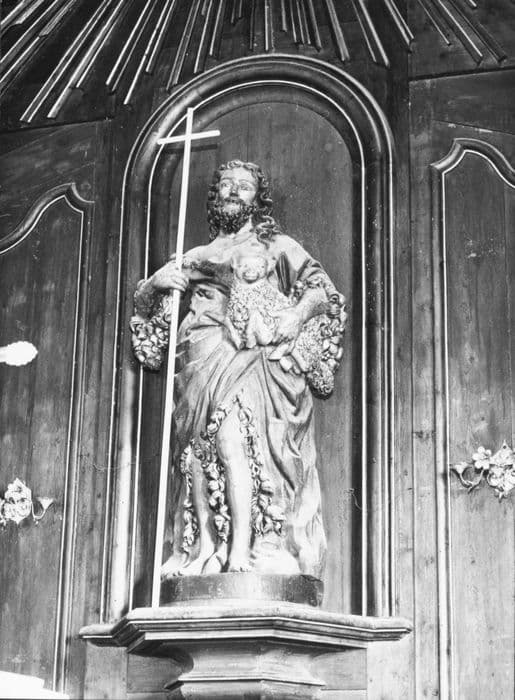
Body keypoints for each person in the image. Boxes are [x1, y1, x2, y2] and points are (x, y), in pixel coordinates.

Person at [130, 160, 346, 579]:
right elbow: (151, 331)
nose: (232, 191)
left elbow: (323, 292)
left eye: (243, 186)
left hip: (251, 361)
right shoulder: (194, 256)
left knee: (235, 442)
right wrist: (155, 284)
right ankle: (203, 548)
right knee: (195, 453)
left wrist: (296, 315)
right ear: (215, 198)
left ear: (256, 200)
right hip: (199, 359)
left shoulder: (277, 245)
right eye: (226, 185)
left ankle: (249, 547)